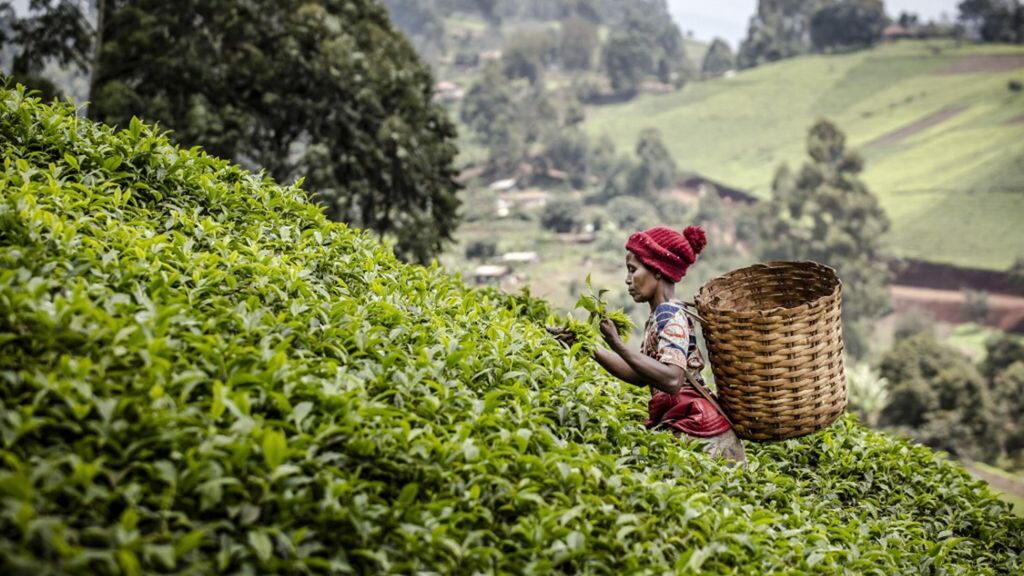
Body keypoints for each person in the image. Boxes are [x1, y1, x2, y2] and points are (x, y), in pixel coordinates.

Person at [579, 225, 746, 463]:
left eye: (633, 270)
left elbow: (672, 380)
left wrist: (617, 344)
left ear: (657, 270)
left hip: (700, 431)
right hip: (689, 423)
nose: (627, 280)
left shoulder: (669, 314)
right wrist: (588, 345)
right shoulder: (659, 316)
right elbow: (641, 375)